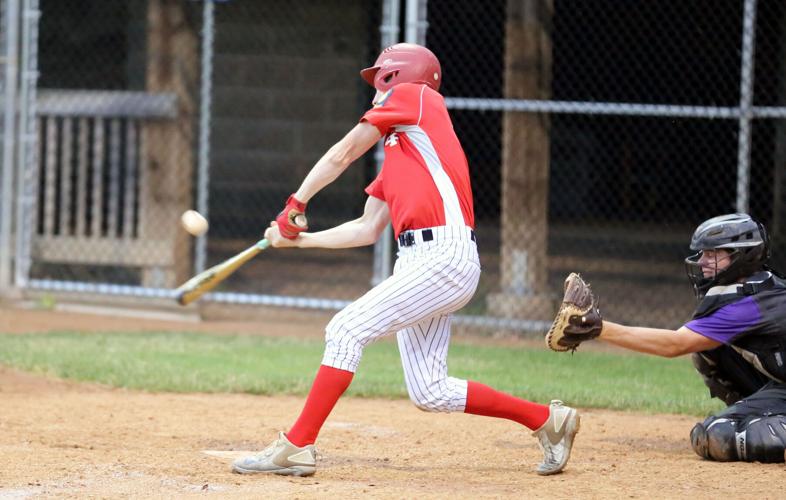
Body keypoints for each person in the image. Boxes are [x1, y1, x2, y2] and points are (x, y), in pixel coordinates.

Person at [230, 43, 580, 477]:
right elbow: (366, 228)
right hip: (419, 263)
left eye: (381, 79)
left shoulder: (418, 97)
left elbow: (343, 151)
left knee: (345, 329)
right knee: (430, 390)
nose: (376, 90)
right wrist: (297, 242)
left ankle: (297, 446)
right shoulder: (402, 152)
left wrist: (296, 202)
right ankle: (548, 420)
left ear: (397, 77)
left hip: (444, 257)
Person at [567, 213, 786, 463]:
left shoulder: (749, 305)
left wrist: (597, 328)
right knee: (710, 349)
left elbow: (674, 344)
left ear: (743, 257)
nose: (703, 261)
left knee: (717, 436)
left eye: (713, 254)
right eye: (703, 253)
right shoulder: (760, 287)